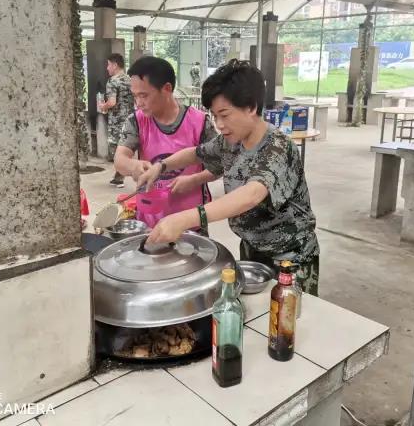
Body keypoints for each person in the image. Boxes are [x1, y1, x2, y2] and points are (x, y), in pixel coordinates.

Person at [138, 59, 320, 295]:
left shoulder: (278, 147)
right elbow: (196, 153)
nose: (220, 125)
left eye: (224, 115)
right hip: (253, 248)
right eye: (214, 116)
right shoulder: (231, 142)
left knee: (287, 315)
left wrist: (185, 219)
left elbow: (251, 195)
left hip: (291, 258)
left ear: (251, 107)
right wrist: (161, 166)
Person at [114, 56, 217, 231]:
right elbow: (120, 159)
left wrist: (195, 180)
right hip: (149, 222)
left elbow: (219, 164)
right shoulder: (136, 121)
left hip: (191, 223)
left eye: (144, 95)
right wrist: (133, 166)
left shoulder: (199, 122)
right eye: (135, 96)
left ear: (167, 89)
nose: (139, 103)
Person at [98, 53, 134, 187]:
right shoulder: (130, 80)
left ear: (115, 65)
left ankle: (125, 173)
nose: (107, 68)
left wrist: (103, 106)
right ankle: (119, 177)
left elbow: (112, 102)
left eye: (108, 65)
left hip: (117, 121)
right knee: (125, 146)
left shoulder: (113, 81)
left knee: (116, 149)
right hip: (130, 120)